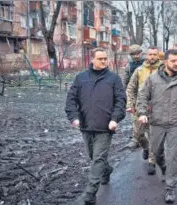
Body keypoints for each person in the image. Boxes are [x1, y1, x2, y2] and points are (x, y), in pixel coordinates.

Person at [65, 48, 126, 205]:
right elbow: (71, 99)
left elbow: (121, 101)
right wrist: (74, 117)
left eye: (105, 58)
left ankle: (90, 193)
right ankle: (107, 170)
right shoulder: (81, 78)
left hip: (105, 127)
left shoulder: (114, 79)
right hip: (86, 126)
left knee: (98, 159)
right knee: (94, 157)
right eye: (100, 59)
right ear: (92, 59)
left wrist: (115, 119)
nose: (104, 61)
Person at [136, 49, 177, 204]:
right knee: (156, 153)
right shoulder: (153, 79)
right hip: (157, 122)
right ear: (165, 62)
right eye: (173, 61)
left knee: (173, 156)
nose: (176, 63)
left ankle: (170, 188)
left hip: (176, 124)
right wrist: (142, 112)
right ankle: (163, 167)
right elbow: (143, 96)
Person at [126, 46, 162, 175]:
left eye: (154, 54)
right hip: (140, 108)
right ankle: (146, 148)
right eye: (150, 54)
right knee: (139, 135)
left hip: (157, 109)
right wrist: (130, 104)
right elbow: (130, 88)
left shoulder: (163, 70)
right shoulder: (139, 70)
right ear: (146, 56)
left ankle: (152, 162)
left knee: (153, 136)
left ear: (158, 56)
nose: (152, 57)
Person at [124, 44, 145, 149]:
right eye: (133, 54)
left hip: (147, 94)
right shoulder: (129, 67)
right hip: (135, 95)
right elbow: (126, 82)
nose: (136, 56)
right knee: (135, 119)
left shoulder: (147, 64)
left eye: (138, 53)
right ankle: (136, 139)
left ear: (141, 53)